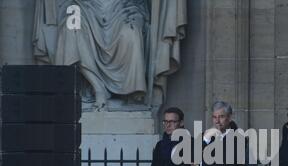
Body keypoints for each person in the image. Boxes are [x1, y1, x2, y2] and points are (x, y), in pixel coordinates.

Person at [33, 0, 187, 108]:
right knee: (70, 29)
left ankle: (131, 92)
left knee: (131, 34)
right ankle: (97, 86)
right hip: (83, 7)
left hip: (124, 7)